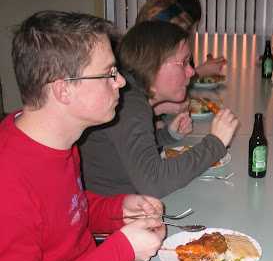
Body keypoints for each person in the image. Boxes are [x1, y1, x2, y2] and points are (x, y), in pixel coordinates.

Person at [0, 10, 167, 261]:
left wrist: (118, 208)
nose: (120, 82)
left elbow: (66, 211)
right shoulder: (8, 185)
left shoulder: (60, 142)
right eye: (108, 73)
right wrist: (121, 250)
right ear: (63, 90)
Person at [79, 21, 239, 198]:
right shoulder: (130, 106)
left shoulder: (132, 97)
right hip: (113, 213)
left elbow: (128, 152)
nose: (192, 71)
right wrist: (214, 143)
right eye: (184, 63)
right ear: (153, 66)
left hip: (127, 201)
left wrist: (166, 136)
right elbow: (154, 181)